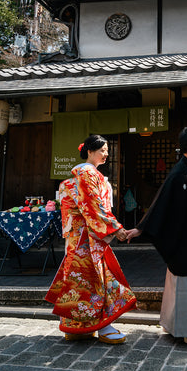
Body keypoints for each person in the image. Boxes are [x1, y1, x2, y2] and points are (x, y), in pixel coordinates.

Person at [127, 127, 187, 347]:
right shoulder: (179, 173)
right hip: (185, 237)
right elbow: (161, 203)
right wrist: (141, 228)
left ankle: (175, 325)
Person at [45, 134, 137, 344]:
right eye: (102, 150)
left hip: (80, 236)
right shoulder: (87, 173)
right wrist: (115, 228)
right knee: (95, 280)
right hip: (86, 237)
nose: (106, 154)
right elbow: (93, 205)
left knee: (80, 281)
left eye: (107, 151)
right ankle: (103, 326)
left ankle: (77, 327)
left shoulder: (86, 173)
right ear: (89, 151)